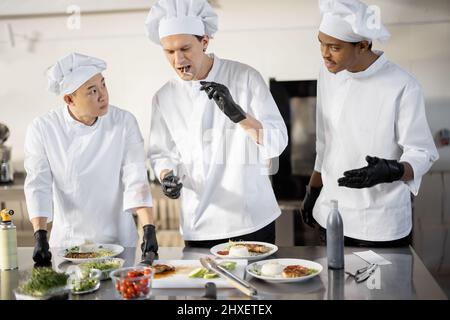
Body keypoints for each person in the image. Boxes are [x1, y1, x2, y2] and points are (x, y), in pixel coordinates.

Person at [145, 0, 288, 248]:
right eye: (169, 51)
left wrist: (239, 116)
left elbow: (277, 143)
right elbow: (161, 154)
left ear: (205, 41)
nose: (178, 59)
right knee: (207, 287)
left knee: (257, 286)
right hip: (199, 225)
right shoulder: (163, 97)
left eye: (185, 48)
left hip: (251, 220)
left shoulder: (245, 77)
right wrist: (167, 176)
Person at [301, 0, 439, 247]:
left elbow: (422, 152)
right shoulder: (328, 73)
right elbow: (325, 140)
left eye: (334, 47)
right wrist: (313, 190)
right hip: (329, 216)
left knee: (379, 287)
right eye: (320, 43)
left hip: (379, 225)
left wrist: (391, 171)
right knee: (331, 285)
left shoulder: (403, 85)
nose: (324, 54)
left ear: (363, 45)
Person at [24, 53, 158, 265]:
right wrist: (40, 235)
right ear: (69, 99)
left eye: (103, 85)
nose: (103, 95)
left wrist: (148, 229)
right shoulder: (43, 128)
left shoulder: (124, 122)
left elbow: (136, 179)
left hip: (120, 242)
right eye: (92, 91)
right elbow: (38, 185)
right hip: (69, 245)